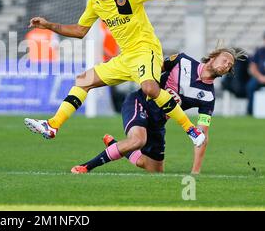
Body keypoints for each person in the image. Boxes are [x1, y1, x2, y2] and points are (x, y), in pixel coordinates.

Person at [24, 0, 222, 147]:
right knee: (83, 80)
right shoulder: (95, 4)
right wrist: (49, 25)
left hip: (146, 51)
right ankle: (53, 125)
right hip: (126, 58)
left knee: (150, 89)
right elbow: (79, 31)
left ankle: (192, 131)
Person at [71, 48, 247, 174]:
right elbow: (154, 69)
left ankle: (115, 145)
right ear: (213, 57)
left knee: (151, 169)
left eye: (230, 66)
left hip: (158, 122)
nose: (226, 65)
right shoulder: (182, 60)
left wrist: (195, 171)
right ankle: (86, 167)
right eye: (225, 60)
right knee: (138, 140)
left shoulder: (208, 97)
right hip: (140, 103)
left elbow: (202, 136)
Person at [246, 31, 265, 115]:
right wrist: (260, 77)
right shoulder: (259, 51)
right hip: (259, 77)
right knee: (250, 86)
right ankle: (251, 111)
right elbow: (252, 67)